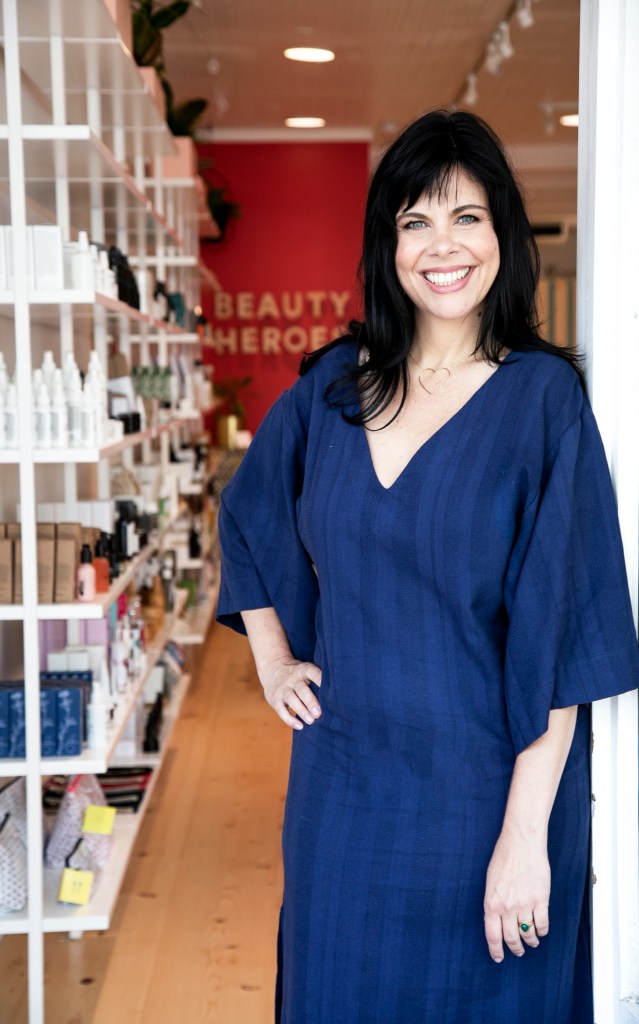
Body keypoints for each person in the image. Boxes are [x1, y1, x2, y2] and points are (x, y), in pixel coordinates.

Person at [215, 109, 639, 1024]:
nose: (441, 246)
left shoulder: (541, 403)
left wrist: (524, 837)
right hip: (344, 792)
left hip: (486, 796)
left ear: (501, 236)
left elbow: (566, 638)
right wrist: (273, 659)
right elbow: (248, 516)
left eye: (466, 218)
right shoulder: (331, 387)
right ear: (387, 245)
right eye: (414, 222)